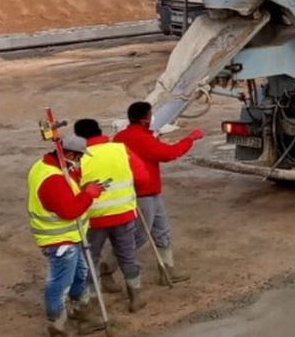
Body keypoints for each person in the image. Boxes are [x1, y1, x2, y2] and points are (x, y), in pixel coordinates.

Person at [114, 102, 205, 284]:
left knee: (161, 230)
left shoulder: (120, 137)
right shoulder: (142, 138)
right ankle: (105, 268)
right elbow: (169, 154)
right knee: (137, 236)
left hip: (148, 192)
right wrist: (190, 139)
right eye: (150, 115)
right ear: (144, 119)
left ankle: (168, 270)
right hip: (144, 193)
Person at [28, 133, 107, 335]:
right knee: (60, 283)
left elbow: (68, 194)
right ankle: (57, 326)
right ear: (70, 154)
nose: (80, 163)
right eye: (79, 158)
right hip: (60, 241)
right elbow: (69, 210)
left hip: (72, 237)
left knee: (80, 275)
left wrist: (83, 188)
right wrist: (88, 195)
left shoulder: (49, 167)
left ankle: (81, 314)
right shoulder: (52, 178)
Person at [73, 118, 150, 312]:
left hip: (93, 219)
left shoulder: (78, 158)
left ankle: (92, 302)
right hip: (123, 214)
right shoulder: (120, 149)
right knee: (128, 256)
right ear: (100, 131)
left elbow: (72, 190)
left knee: (90, 260)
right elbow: (142, 177)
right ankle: (135, 298)